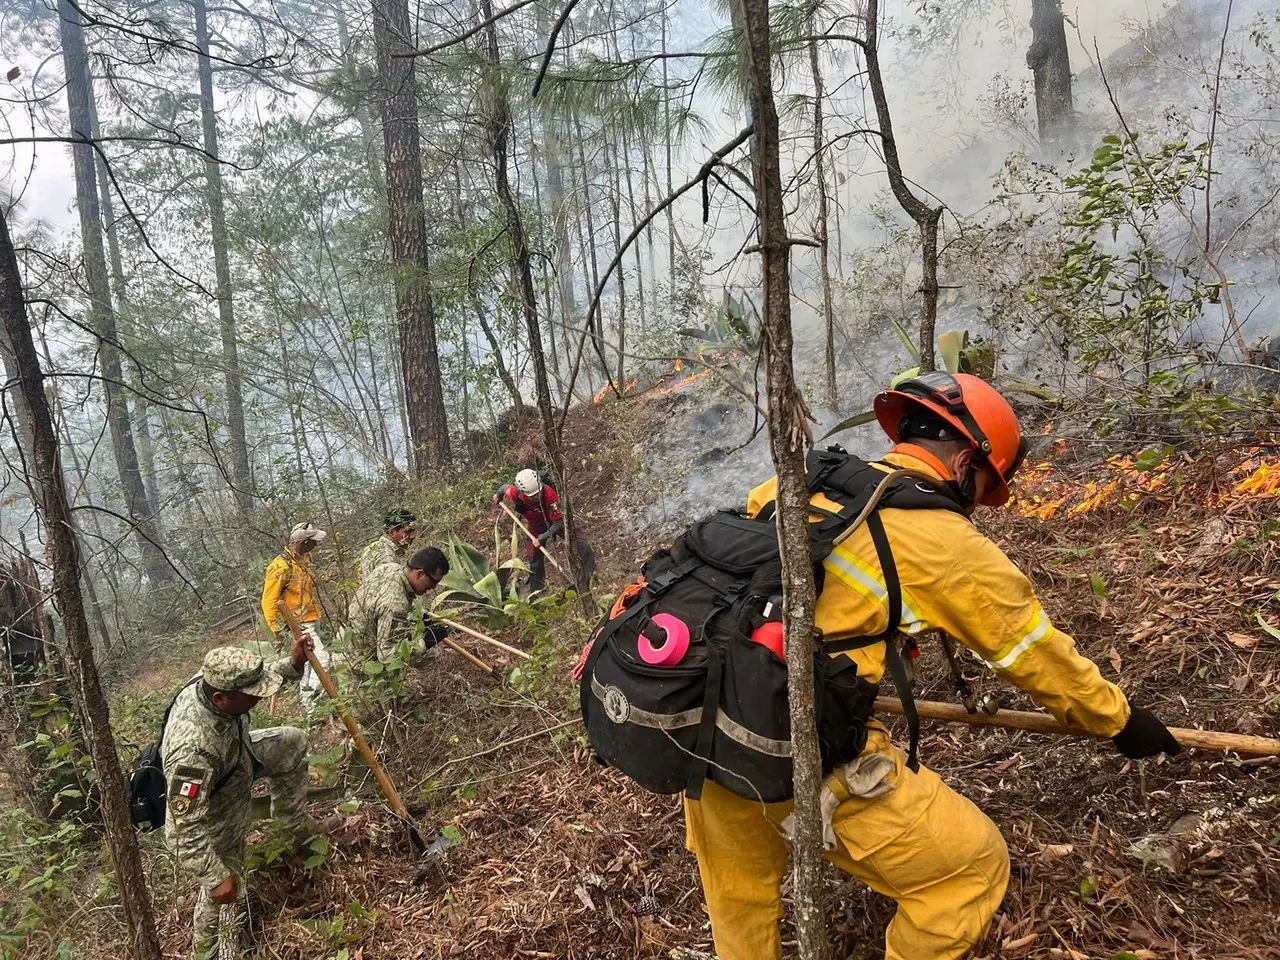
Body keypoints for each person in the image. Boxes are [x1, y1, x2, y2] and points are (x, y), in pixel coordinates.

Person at [683, 372, 1181, 960]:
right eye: (982, 487)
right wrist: (1120, 722)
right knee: (968, 872)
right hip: (804, 747)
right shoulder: (943, 542)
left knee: (741, 907)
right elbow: (1034, 655)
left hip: (706, 729)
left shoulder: (796, 484)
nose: (976, 504)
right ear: (968, 460)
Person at [163, 635, 316, 959]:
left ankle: (289, 835)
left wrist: (292, 665)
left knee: (292, 743)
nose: (260, 698)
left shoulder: (214, 682)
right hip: (216, 797)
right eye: (253, 695)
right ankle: (208, 951)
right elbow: (179, 830)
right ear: (221, 700)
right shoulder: (192, 751)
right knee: (225, 887)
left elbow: (255, 681)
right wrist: (215, 877)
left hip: (239, 755)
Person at [492, 468, 595, 592]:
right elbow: (504, 488)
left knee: (581, 542)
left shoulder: (549, 493)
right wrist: (498, 495)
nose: (537, 497)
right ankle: (537, 589)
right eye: (533, 496)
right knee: (533, 557)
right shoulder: (515, 493)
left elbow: (558, 523)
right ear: (523, 492)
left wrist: (543, 537)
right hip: (536, 524)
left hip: (554, 521)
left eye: (538, 493)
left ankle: (590, 577)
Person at [345, 547, 451, 664]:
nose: (434, 587)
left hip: (349, 648)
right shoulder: (395, 604)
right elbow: (387, 655)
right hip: (359, 666)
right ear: (420, 574)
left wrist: (420, 616)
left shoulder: (389, 568)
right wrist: (426, 642)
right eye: (433, 582)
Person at [261, 522, 327, 710]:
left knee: (308, 665)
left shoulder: (305, 559)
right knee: (322, 659)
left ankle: (307, 705)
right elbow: (268, 601)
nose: (315, 545)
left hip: (313, 617)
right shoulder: (279, 567)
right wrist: (276, 629)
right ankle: (313, 708)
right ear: (304, 542)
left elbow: (308, 583)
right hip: (298, 624)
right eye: (313, 542)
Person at [359, 508, 417, 579]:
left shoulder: (374, 548)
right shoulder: (386, 555)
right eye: (407, 532)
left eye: (413, 531)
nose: (413, 536)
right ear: (392, 532)